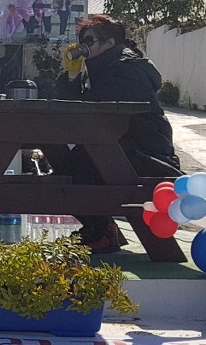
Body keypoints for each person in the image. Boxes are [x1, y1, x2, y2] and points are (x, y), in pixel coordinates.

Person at [50, 14, 180, 253]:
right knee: (69, 166)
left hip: (146, 153)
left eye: (89, 41)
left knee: (74, 169)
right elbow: (76, 107)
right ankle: (100, 228)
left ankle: (102, 231)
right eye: (81, 41)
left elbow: (93, 108)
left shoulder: (125, 68)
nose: (83, 47)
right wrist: (71, 75)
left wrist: (77, 81)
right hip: (121, 146)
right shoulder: (103, 67)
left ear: (109, 43)